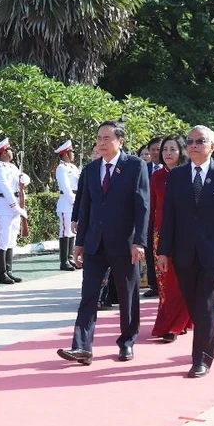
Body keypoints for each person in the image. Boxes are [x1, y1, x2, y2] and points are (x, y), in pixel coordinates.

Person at [57, 121, 149, 365]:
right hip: (95, 244)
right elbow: (86, 207)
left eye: (107, 138)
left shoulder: (136, 166)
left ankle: (127, 342)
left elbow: (143, 206)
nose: (102, 143)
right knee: (88, 295)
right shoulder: (90, 169)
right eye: (99, 138)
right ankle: (81, 347)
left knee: (128, 296)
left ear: (120, 141)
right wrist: (79, 243)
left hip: (125, 244)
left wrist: (139, 241)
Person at [156, 125, 214, 377]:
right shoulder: (178, 175)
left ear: (212, 146)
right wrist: (163, 252)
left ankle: (201, 359)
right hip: (182, 252)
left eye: (199, 141)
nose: (193, 145)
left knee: (205, 305)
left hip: (213, 253)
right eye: (190, 141)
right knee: (192, 303)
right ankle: (209, 340)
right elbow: (168, 217)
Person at [149, 134, 192, 340]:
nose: (167, 153)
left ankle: (180, 322)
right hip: (160, 235)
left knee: (183, 279)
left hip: (185, 234)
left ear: (181, 151)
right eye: (164, 149)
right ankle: (168, 322)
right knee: (165, 281)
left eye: (172, 149)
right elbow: (151, 208)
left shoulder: (189, 174)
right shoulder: (156, 177)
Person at [0, 138, 28, 285]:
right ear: (4, 153)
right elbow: (6, 189)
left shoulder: (12, 167)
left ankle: (9, 271)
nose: (11, 152)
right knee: (1, 240)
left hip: (13, 208)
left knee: (11, 239)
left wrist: (26, 179)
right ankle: (1, 273)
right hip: (2, 208)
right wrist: (16, 207)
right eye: (9, 150)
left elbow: (22, 181)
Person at [54, 140, 80, 271]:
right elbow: (66, 187)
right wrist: (75, 202)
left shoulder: (73, 168)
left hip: (74, 200)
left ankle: (70, 257)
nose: (73, 154)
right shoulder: (61, 169)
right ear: (65, 154)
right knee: (65, 231)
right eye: (71, 152)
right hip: (66, 201)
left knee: (72, 232)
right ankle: (63, 261)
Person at [142, 137, 163, 297]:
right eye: (153, 149)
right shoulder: (142, 168)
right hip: (147, 216)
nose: (156, 152)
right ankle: (154, 285)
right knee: (149, 250)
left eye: (159, 149)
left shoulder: (172, 169)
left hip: (163, 217)